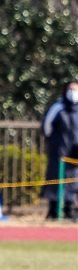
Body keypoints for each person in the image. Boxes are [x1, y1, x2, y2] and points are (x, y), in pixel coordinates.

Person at [43, 80, 78, 219]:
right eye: (71, 89)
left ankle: (69, 210)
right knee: (55, 180)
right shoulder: (58, 107)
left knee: (73, 181)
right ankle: (53, 210)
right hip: (59, 151)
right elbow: (47, 128)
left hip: (75, 152)